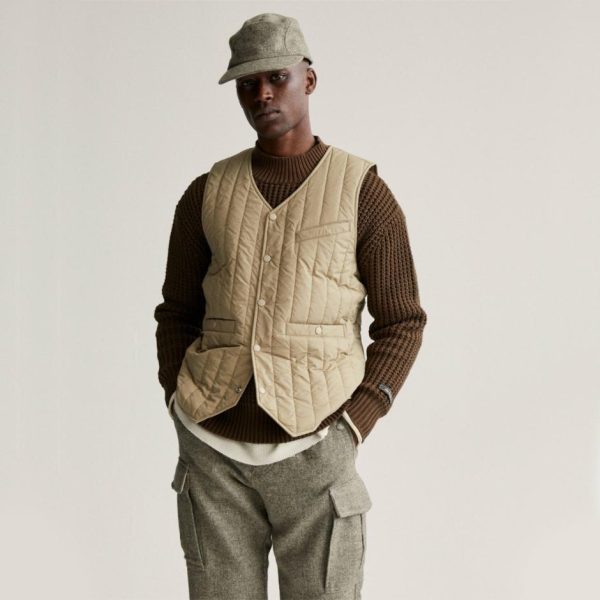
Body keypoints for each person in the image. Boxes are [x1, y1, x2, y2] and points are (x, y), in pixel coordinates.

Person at [154, 12, 427, 600]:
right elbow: (175, 311)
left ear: (309, 79)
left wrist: (357, 421)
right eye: (247, 84)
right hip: (213, 455)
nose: (262, 94)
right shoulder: (206, 193)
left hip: (318, 448)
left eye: (276, 77)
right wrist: (179, 399)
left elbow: (403, 322)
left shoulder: (363, 191)